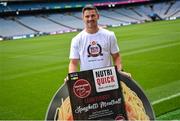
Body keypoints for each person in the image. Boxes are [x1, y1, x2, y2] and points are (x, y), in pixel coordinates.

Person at [67, 5, 131, 78]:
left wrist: (119, 71)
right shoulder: (76, 39)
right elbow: (73, 63)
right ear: (83, 18)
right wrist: (72, 78)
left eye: (93, 15)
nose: (90, 18)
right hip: (88, 81)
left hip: (108, 79)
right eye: (87, 16)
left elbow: (116, 56)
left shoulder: (109, 35)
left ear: (98, 16)